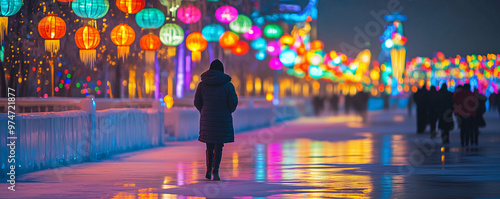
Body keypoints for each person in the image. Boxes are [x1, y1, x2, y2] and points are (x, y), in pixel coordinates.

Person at [194, 60, 238, 181]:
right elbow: (233, 104)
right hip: (222, 119)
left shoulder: (202, 85)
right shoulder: (228, 85)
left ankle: (208, 169)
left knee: (209, 145)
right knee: (219, 145)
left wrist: (204, 111)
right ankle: (215, 171)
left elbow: (197, 102)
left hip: (207, 118)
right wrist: (227, 110)